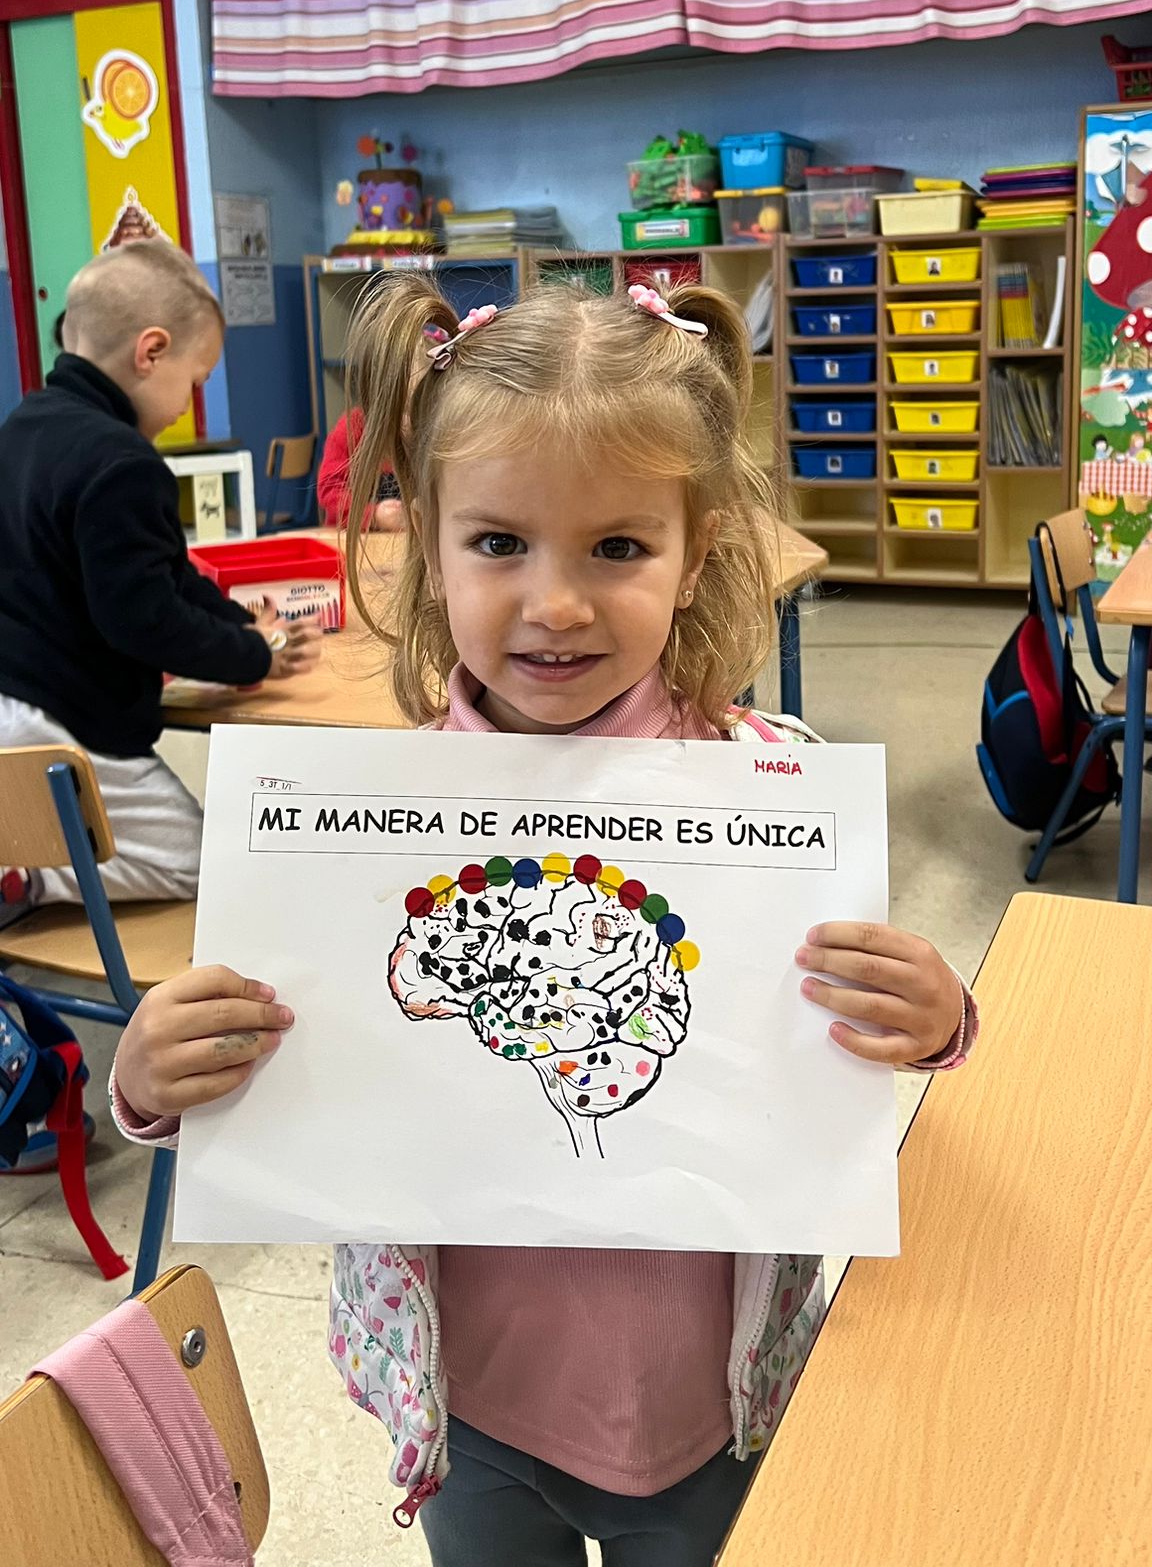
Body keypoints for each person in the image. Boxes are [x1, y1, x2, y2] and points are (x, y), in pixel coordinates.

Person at [111, 278, 975, 1567]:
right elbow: (289, 1077)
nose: (557, 603)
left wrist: (939, 1018)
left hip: (711, 1412)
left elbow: (853, 1038)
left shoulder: (775, 784)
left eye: (618, 547)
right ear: (428, 544)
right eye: (500, 542)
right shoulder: (358, 826)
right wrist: (151, 1079)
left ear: (698, 554)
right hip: (467, 1412)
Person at [0, 242, 321, 905]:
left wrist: (237, 622)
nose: (187, 404)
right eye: (195, 381)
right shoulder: (123, 462)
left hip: (15, 700)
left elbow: (165, 574)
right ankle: (29, 874)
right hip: (64, 722)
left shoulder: (26, 424)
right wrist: (253, 655)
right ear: (150, 352)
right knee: (208, 868)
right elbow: (144, 620)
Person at [317, 406, 405, 531]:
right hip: (349, 533)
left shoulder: (424, 432)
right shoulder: (352, 426)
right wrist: (373, 516)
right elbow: (329, 491)